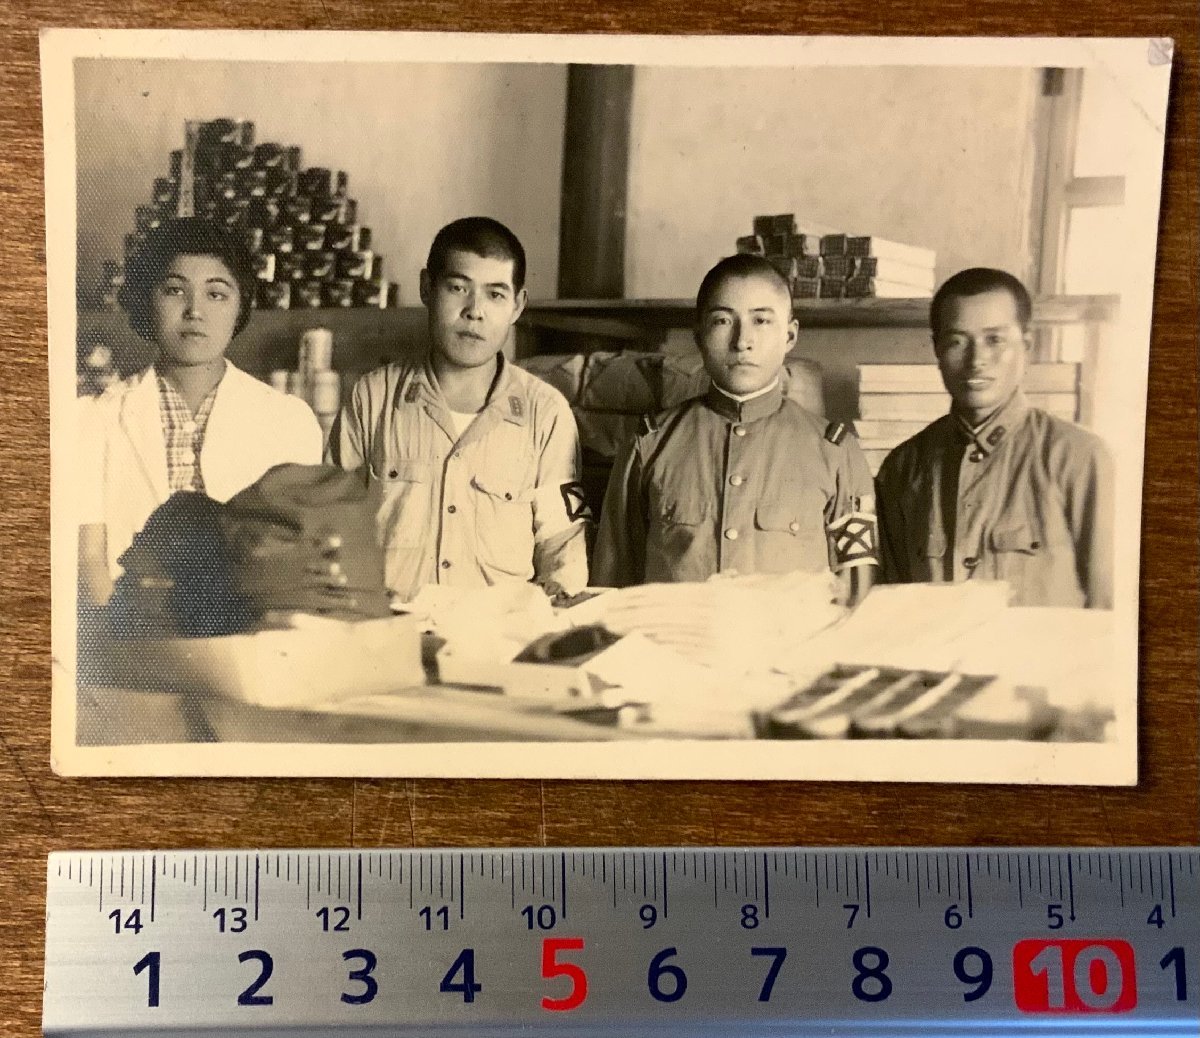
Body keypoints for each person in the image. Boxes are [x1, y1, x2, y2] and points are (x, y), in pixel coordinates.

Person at [326, 217, 590, 602]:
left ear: (517, 305)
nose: (474, 311)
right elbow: (331, 528)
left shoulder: (545, 413)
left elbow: (563, 552)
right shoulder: (373, 397)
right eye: (458, 288)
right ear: (426, 288)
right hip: (390, 628)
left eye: (495, 295)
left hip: (499, 633)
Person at [592, 253, 878, 600]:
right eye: (723, 320)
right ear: (699, 336)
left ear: (789, 336)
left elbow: (857, 596)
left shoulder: (836, 452)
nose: (742, 341)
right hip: (675, 635)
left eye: (761, 320)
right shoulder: (650, 444)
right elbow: (611, 586)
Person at [78, 217, 323, 605]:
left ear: (240, 307)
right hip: (129, 626)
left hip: (252, 630)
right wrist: (129, 636)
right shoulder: (93, 419)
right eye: (175, 290)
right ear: (146, 300)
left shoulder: (289, 420)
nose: (195, 310)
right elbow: (89, 561)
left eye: (216, 294)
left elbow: (299, 560)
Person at [875, 267, 1113, 608]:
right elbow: (891, 610)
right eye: (957, 342)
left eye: (994, 340)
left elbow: (1112, 613)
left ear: (1026, 346)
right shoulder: (902, 469)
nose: (976, 361)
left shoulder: (1080, 459)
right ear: (937, 350)